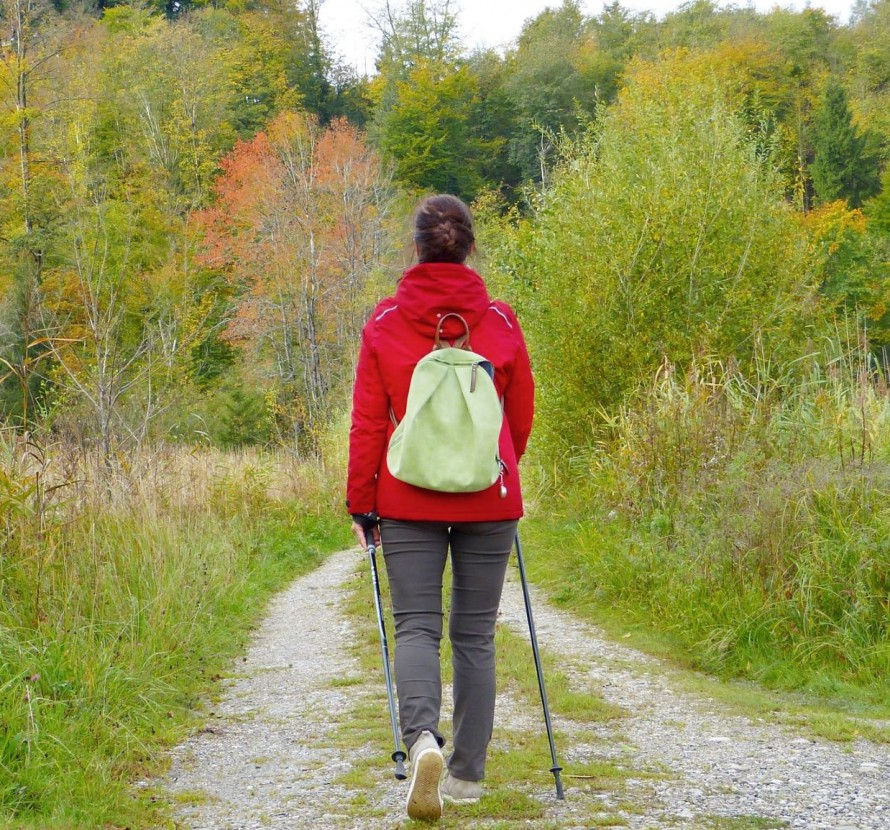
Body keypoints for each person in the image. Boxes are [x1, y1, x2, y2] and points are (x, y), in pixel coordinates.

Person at [346, 194, 535, 822]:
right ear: (470, 246)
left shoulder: (386, 321)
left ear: (417, 247)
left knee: (418, 628)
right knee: (476, 634)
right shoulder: (502, 323)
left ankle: (422, 740)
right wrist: (501, 473)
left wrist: (361, 502)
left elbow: (370, 422)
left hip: (406, 496)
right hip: (490, 496)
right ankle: (467, 777)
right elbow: (520, 416)